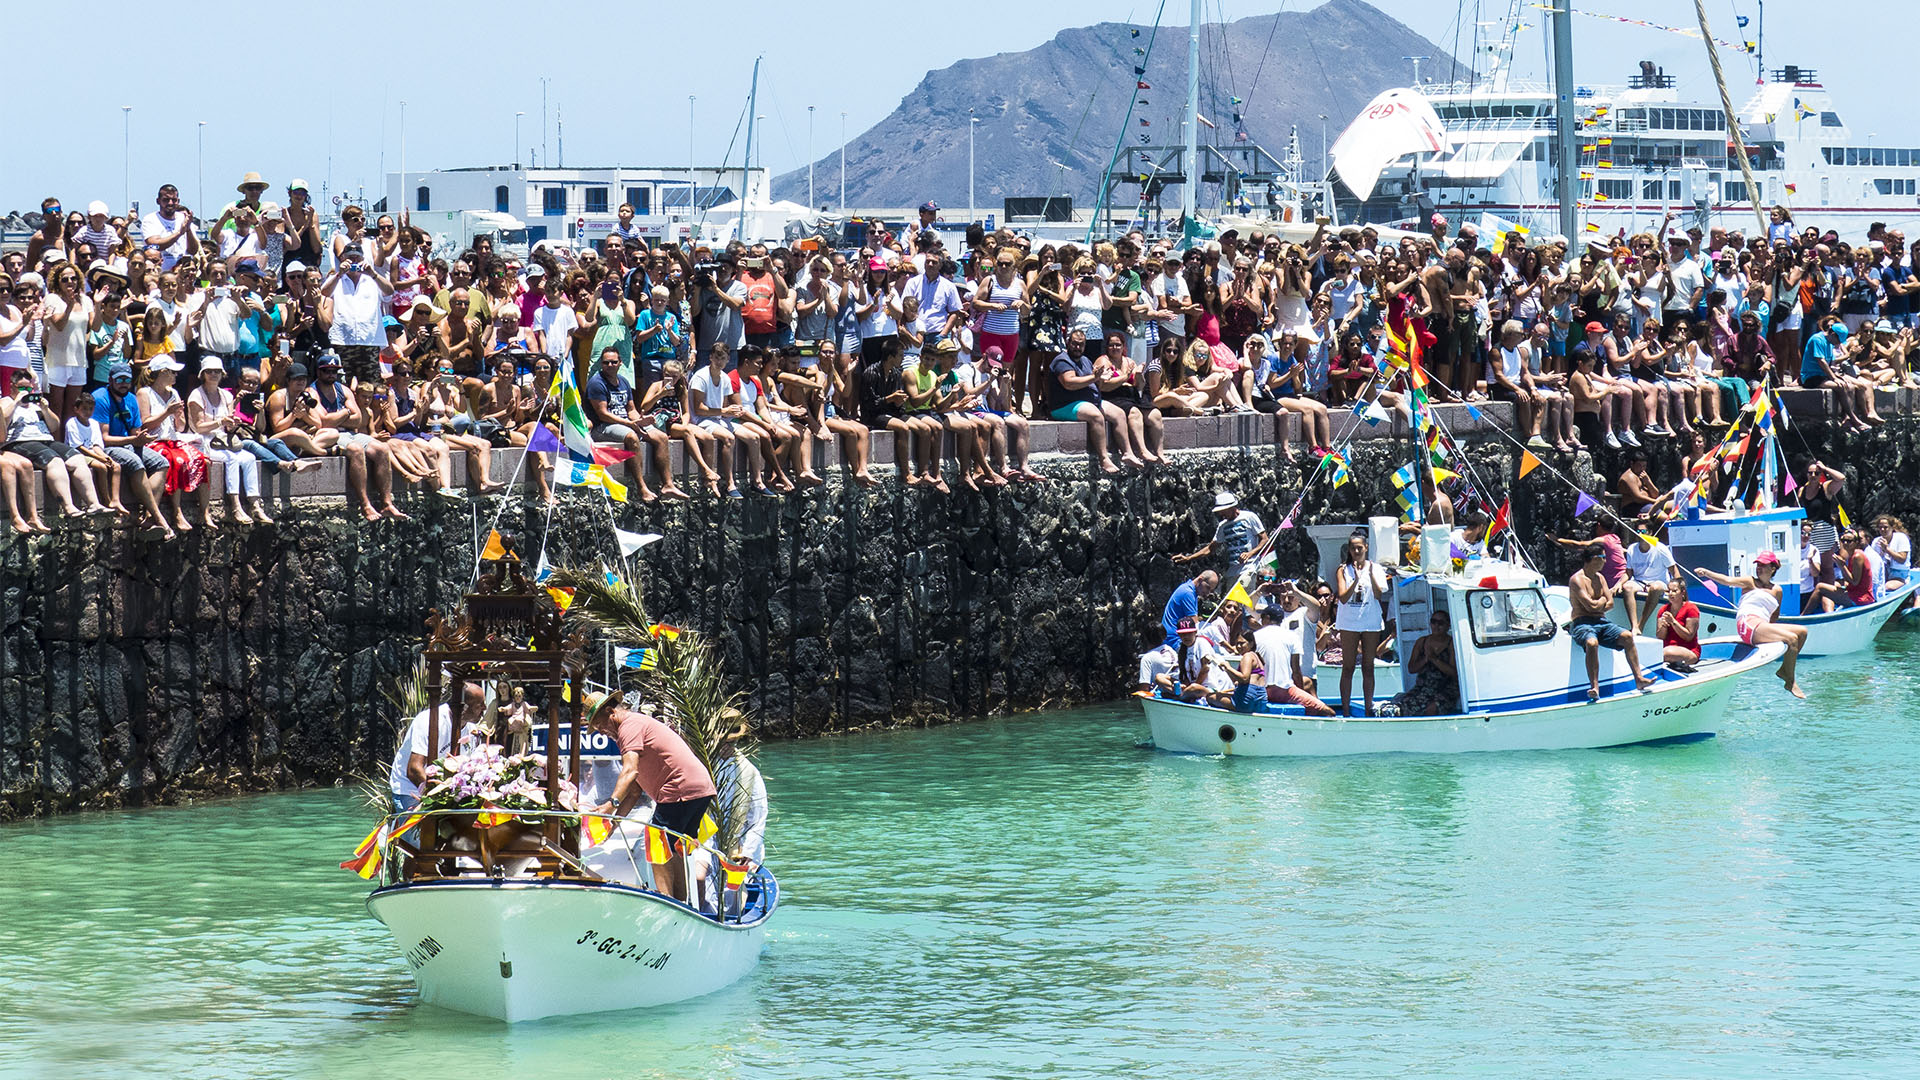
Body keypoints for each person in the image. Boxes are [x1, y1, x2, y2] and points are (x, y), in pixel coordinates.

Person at [584, 692, 718, 904]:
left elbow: (630, 772)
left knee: (656, 840)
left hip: (679, 788)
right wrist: (615, 822)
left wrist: (610, 804)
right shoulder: (631, 729)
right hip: (699, 789)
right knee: (675, 847)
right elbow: (635, 791)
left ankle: (667, 903)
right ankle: (682, 903)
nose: (602, 732)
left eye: (601, 726)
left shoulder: (629, 726)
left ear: (611, 712)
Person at [1698, 551, 1807, 698]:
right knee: (1791, 639)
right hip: (1747, 623)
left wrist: (1770, 632)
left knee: (1802, 632)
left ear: (1773, 568)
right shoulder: (1750, 582)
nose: (1759, 568)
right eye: (1758, 565)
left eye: (1763, 565)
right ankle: (1791, 680)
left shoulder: (1777, 590)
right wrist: (1706, 573)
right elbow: (1727, 580)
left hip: (1761, 624)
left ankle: (1784, 670)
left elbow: (1774, 616)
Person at [1568, 542, 1656, 703]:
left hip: (1601, 621)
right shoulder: (1577, 580)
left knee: (1627, 636)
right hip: (1582, 623)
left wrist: (1598, 603)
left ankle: (1639, 678)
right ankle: (1594, 686)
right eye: (1602, 557)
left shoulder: (1600, 578)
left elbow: (1611, 604)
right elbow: (1590, 606)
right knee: (1592, 643)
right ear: (1593, 558)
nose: (1605, 561)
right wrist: (1601, 600)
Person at [387, 682, 488, 811]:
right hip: (410, 788)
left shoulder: (471, 729)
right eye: (480, 705)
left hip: (444, 791)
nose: (484, 708)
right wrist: (438, 797)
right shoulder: (429, 720)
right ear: (464, 707)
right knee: (420, 830)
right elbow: (414, 769)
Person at [1332, 530, 1388, 716]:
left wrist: (1370, 575)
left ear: (1366, 548)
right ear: (1349, 550)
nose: (1356, 551)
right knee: (1348, 667)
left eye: (1359, 548)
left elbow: (1379, 594)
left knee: (1368, 666)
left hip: (1370, 621)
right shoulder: (1343, 570)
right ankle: (1346, 710)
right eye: (1353, 548)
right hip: (1349, 623)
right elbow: (1343, 598)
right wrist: (1355, 579)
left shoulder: (1376, 568)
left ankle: (1368, 707)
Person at [1251, 600, 1333, 714]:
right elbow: (1296, 671)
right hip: (1284, 691)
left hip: (1261, 690)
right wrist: (1300, 692)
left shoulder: (1254, 636)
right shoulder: (1292, 636)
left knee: (1308, 682)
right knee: (1328, 712)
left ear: (1267, 618)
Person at [1174, 491, 1266, 583]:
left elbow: (1265, 539)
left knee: (1243, 596)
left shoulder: (1249, 517)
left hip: (1250, 568)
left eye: (1223, 511)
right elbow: (1210, 548)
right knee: (1231, 597)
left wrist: (1250, 553)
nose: (1221, 514)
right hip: (1233, 572)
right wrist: (1188, 558)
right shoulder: (1222, 526)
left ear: (1231, 507)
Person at [1386, 609, 1459, 717]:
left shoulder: (1451, 644)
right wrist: (1425, 659)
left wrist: (1434, 659)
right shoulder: (1422, 642)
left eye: (1440, 623)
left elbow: (1453, 672)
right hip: (1424, 687)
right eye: (1433, 622)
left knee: (1433, 708)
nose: (1436, 626)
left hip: (1445, 688)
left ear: (1448, 625)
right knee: (1404, 705)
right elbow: (1411, 668)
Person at [1621, 524, 1674, 632]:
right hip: (1639, 581)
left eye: (1643, 531)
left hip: (1659, 582)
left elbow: (1674, 571)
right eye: (1637, 531)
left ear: (1650, 532)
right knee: (1627, 587)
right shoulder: (1632, 548)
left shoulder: (1660, 548)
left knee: (1655, 588)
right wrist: (1618, 584)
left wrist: (1677, 591)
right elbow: (1628, 573)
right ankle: (1634, 626)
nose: (1639, 534)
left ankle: (1641, 625)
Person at [1654, 564, 1701, 672]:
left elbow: (1689, 636)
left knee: (1666, 652)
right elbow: (1660, 637)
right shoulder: (1663, 610)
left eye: (1674, 591)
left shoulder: (1691, 608)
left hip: (1689, 651)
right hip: (1668, 649)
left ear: (1682, 592)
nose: (1671, 594)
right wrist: (1664, 626)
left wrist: (1673, 622)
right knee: (1663, 652)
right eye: (1668, 591)